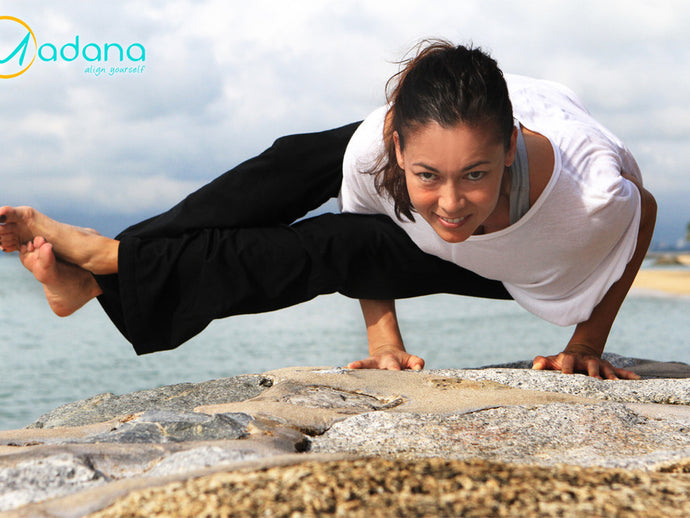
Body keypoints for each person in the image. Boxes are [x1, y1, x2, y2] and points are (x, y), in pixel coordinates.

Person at [0, 40, 656, 380]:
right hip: (413, 211)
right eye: (427, 174)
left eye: (475, 177)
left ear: (509, 153)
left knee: (387, 207)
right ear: (398, 146)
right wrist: (384, 342)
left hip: (519, 266)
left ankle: (109, 262)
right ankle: (100, 272)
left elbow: (644, 213)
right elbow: (360, 230)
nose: (452, 203)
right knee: (303, 177)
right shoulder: (378, 147)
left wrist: (586, 343)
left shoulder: (590, 189)